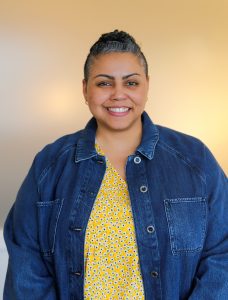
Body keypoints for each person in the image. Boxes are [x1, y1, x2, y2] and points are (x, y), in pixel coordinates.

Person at [3, 30, 228, 300]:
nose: (118, 94)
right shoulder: (49, 165)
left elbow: (222, 254)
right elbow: (26, 262)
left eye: (131, 83)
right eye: (104, 83)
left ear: (147, 85)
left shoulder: (195, 160)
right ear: (85, 89)